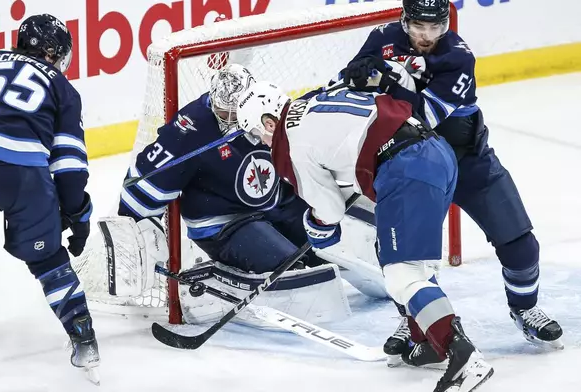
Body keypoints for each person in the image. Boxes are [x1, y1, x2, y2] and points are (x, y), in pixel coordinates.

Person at [235, 71, 494, 391]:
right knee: (403, 259)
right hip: (436, 151)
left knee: (403, 276)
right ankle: (427, 340)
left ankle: (462, 356)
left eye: (257, 132)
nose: (261, 141)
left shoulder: (290, 143)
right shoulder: (315, 100)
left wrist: (314, 226)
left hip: (405, 168)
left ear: (269, 121)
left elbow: (329, 211)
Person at [339, 0, 563, 365]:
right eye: (419, 28)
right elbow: (350, 84)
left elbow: (420, 116)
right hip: (413, 168)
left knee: (521, 245)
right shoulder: (382, 38)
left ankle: (525, 310)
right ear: (404, 20)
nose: (427, 37)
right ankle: (414, 319)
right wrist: (355, 76)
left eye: (436, 28)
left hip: (468, 160)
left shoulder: (458, 57)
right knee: (402, 259)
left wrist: (386, 79)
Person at [85, 63, 386, 326]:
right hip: (227, 223)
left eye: (236, 111)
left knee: (338, 241)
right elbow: (141, 190)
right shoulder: (190, 131)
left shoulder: (264, 109)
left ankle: (384, 277)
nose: (230, 120)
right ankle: (224, 278)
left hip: (277, 202)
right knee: (293, 270)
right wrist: (133, 233)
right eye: (222, 113)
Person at [0, 14, 99, 384]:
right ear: (58, 52)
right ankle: (84, 339)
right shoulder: (63, 87)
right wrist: (78, 213)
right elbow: (70, 166)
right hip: (27, 177)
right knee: (49, 261)